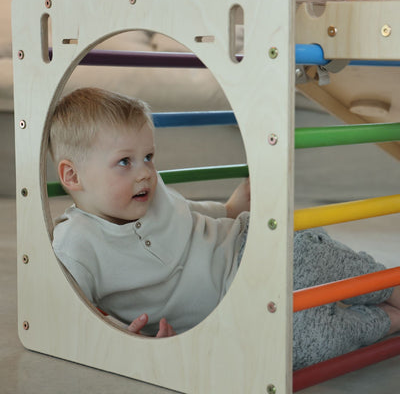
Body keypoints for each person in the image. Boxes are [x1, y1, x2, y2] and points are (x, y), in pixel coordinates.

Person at [50, 87, 400, 370]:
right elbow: (71, 314)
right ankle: (385, 321)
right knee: (302, 346)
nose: (144, 172)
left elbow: (191, 215)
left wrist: (231, 209)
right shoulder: (76, 245)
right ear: (72, 176)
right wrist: (126, 337)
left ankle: (389, 288)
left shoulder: (148, 194)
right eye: (125, 162)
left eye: (148, 157)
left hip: (245, 249)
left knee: (315, 255)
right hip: (234, 314)